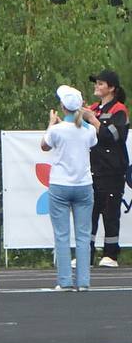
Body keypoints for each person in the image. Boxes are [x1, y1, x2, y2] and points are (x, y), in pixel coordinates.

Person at [42, 85, 99, 290]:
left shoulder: (57, 130)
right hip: (83, 185)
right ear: (81, 107)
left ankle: (64, 281)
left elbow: (44, 145)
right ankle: (83, 282)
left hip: (60, 185)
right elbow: (91, 140)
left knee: (62, 235)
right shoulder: (89, 130)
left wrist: (51, 124)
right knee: (84, 236)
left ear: (62, 107)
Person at [87, 69, 128, 268]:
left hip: (112, 170)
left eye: (101, 83)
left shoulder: (119, 110)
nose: (97, 86)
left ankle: (111, 254)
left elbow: (113, 136)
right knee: (90, 212)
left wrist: (94, 121)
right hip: (92, 168)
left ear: (111, 88)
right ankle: (86, 253)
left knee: (110, 212)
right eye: (97, 83)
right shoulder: (93, 107)